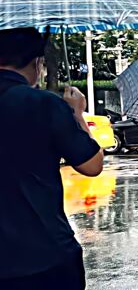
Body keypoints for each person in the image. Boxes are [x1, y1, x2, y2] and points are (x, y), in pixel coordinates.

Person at [0, 28, 104, 289]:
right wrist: (77, 114)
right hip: (43, 252)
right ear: (37, 63)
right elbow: (92, 165)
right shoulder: (43, 104)